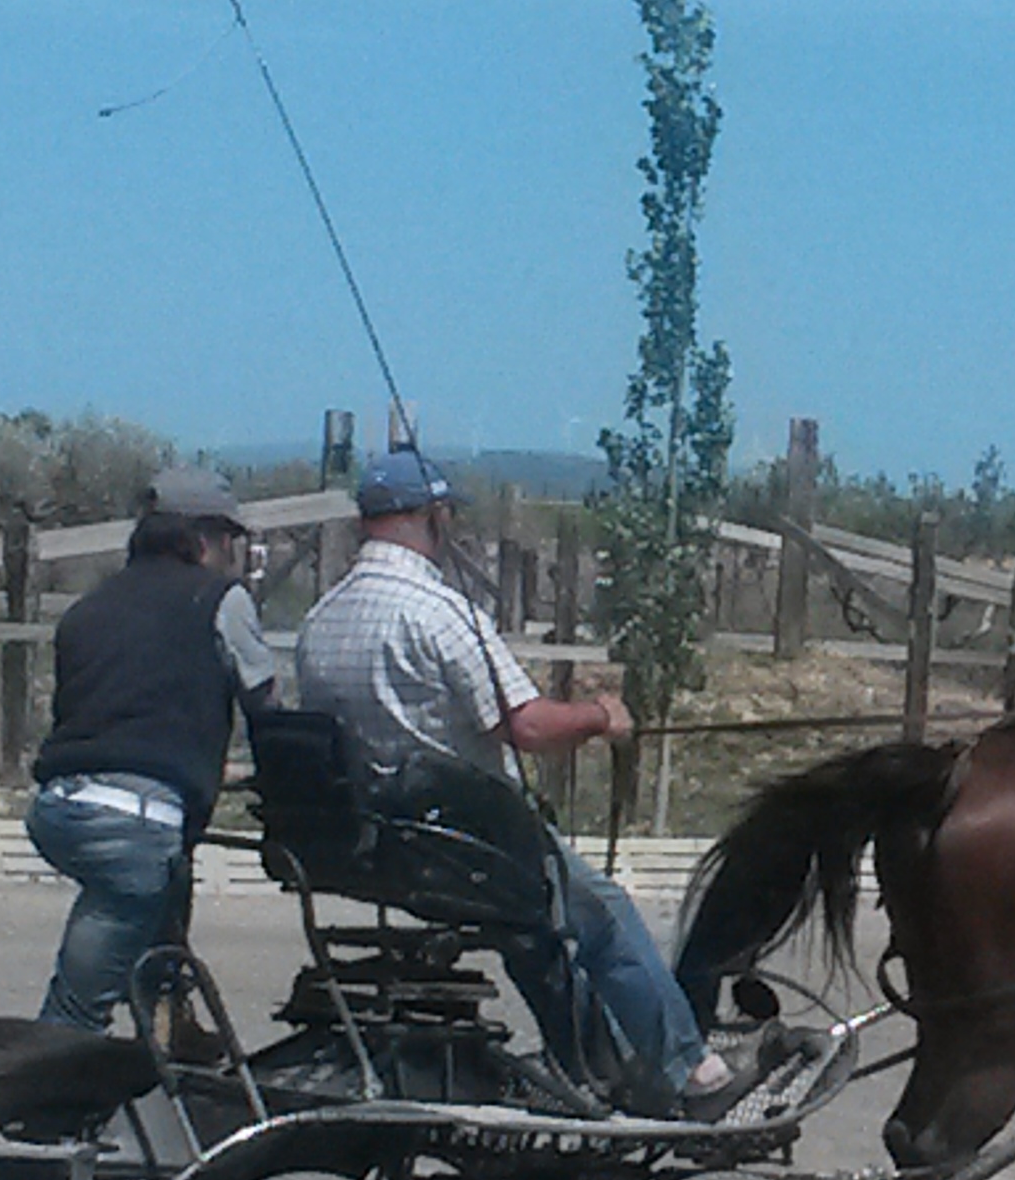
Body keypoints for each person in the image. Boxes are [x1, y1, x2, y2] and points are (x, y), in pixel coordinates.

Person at [294, 449, 757, 1120]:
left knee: (535, 933)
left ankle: (590, 1070)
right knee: (601, 912)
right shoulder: (436, 612)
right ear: (433, 515)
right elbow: (529, 726)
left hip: (374, 844)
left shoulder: (319, 622)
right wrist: (602, 717)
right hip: (464, 842)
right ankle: (692, 1070)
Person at [30, 467, 276, 1034]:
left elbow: (115, 718)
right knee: (77, 1009)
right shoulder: (221, 599)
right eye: (234, 541)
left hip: (58, 807)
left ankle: (170, 1025)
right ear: (207, 540)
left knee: (168, 883)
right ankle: (48, 1100)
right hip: (129, 824)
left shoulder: (89, 607)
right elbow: (269, 711)